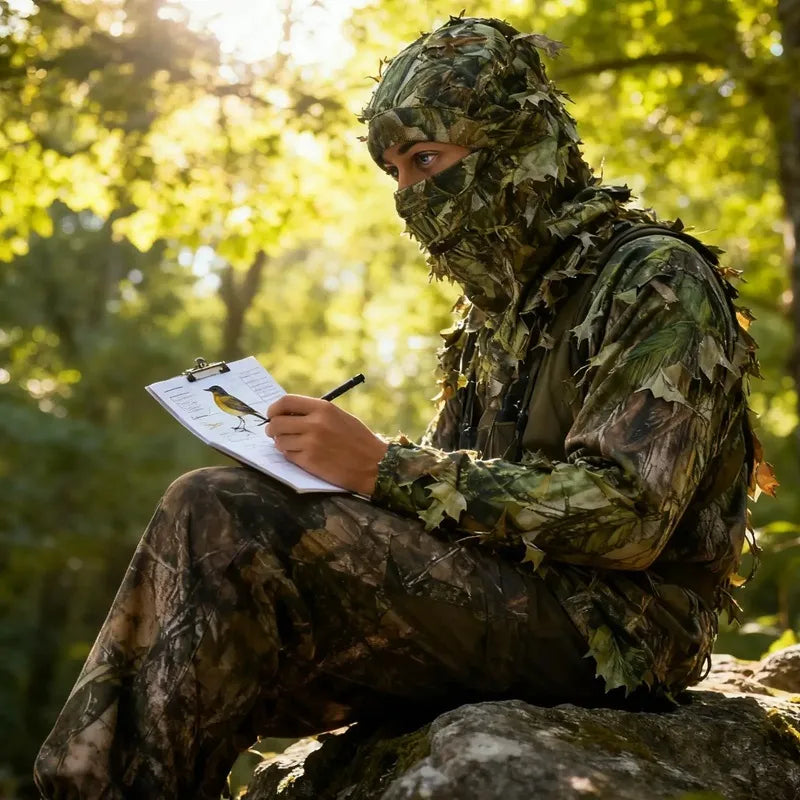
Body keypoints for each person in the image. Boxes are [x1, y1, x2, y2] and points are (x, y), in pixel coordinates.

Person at [34, 15, 771, 800]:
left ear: (514, 142)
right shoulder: (488, 319)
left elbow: (629, 516)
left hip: (615, 632)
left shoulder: (654, 279)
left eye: (427, 160)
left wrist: (384, 467)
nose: (410, 196)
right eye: (394, 172)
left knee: (217, 511)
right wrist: (335, 466)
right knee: (214, 591)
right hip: (509, 597)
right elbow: (453, 494)